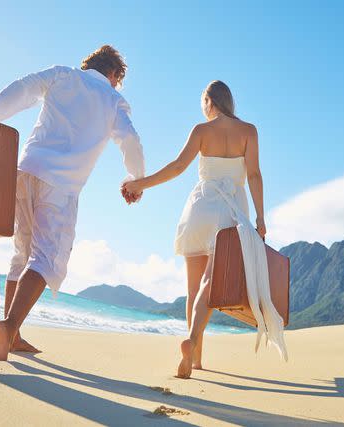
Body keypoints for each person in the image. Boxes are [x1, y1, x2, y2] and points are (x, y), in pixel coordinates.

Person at [0, 45, 145, 361]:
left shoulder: (63, 74)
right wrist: (136, 179)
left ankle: (12, 336)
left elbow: (25, 87)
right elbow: (130, 140)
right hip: (60, 187)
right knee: (45, 257)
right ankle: (9, 327)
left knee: (22, 253)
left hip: (26, 171)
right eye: (119, 78)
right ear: (115, 73)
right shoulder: (113, 100)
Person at [123, 80, 286, 379]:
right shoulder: (249, 131)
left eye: (203, 103)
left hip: (199, 208)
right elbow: (254, 175)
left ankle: (195, 359)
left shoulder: (201, 130)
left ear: (210, 101)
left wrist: (139, 184)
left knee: (192, 286)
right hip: (230, 212)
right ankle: (193, 340)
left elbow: (176, 167)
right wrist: (261, 218)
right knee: (209, 285)